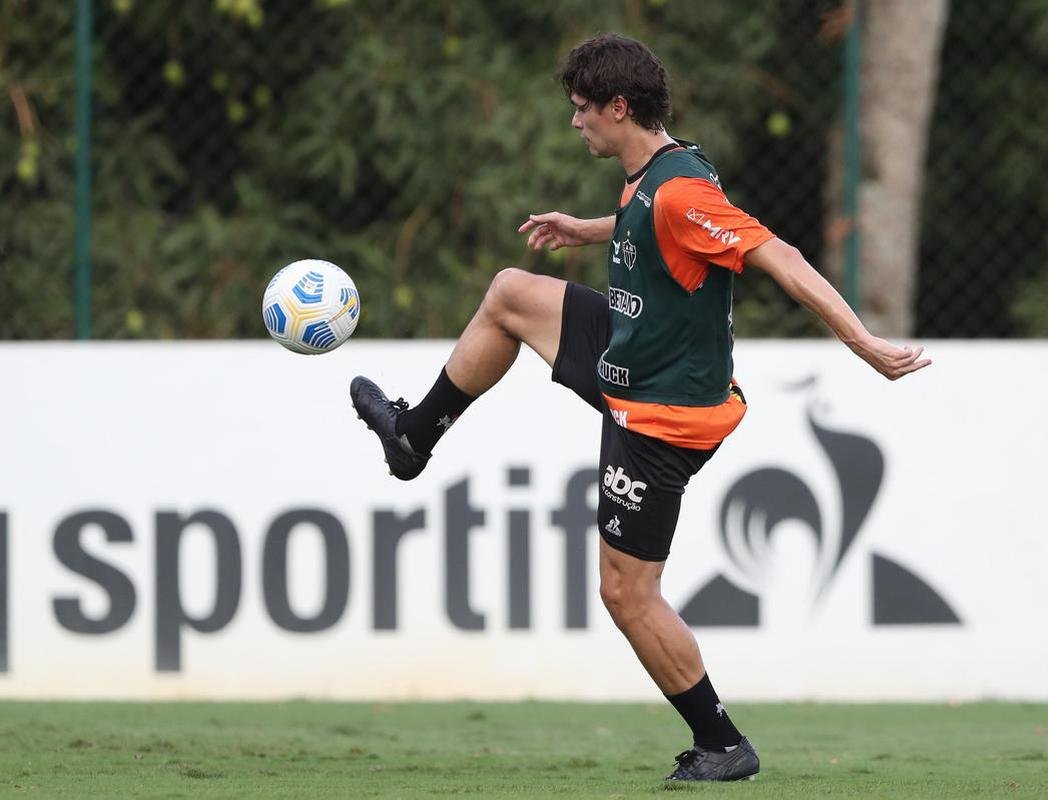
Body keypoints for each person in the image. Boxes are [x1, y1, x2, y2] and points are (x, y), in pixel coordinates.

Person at [351, 33, 931, 783]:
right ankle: (413, 437)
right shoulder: (657, 169)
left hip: (663, 415)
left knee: (626, 592)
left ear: (618, 107)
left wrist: (863, 342)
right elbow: (650, 229)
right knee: (510, 295)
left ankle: (723, 744)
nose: (574, 123)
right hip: (631, 355)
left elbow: (779, 256)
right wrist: (589, 229)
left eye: (581, 110)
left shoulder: (686, 192)